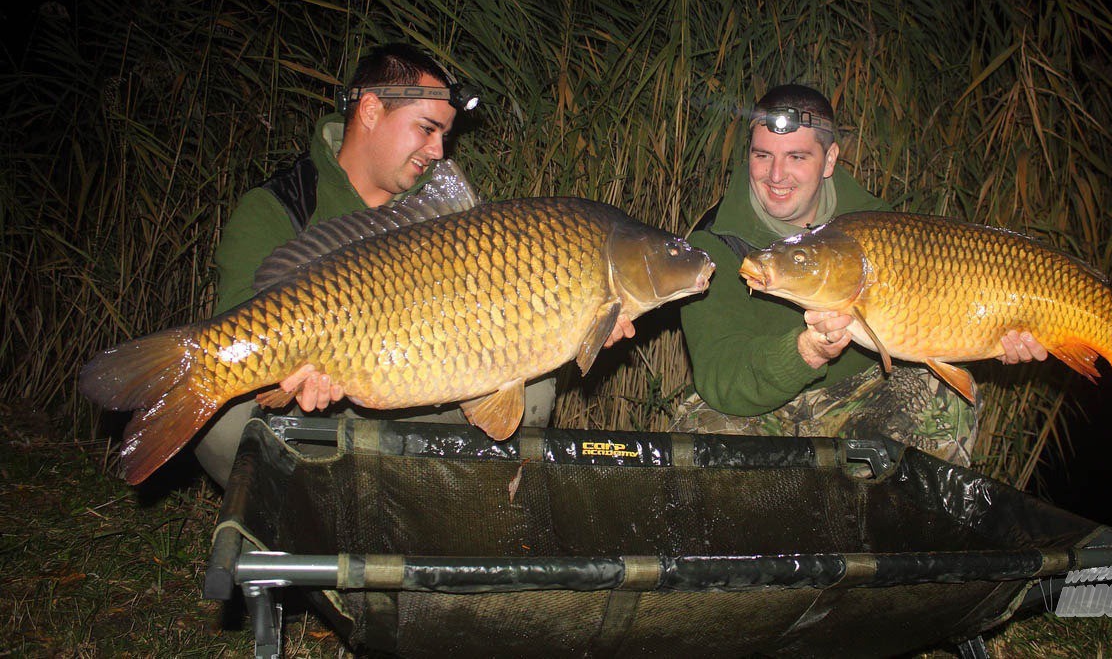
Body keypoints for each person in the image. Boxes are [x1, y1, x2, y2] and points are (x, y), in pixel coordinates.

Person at [193, 43, 633, 488]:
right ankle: (301, 514)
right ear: (369, 110)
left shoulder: (439, 210)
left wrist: (580, 323)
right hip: (325, 403)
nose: (438, 150)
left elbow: (496, 324)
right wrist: (293, 372)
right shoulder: (279, 207)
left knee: (534, 387)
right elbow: (241, 318)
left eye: (443, 135)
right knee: (222, 423)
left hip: (422, 385)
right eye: (426, 129)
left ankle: (447, 508)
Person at [672, 83, 1046, 465]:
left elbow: (945, 316)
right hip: (760, 405)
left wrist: (999, 333)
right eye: (762, 155)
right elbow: (722, 379)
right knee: (700, 439)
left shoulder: (883, 230)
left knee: (940, 402)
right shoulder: (713, 245)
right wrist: (806, 351)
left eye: (797, 157)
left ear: (830, 159)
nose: (776, 175)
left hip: (858, 397)